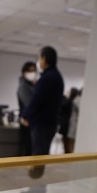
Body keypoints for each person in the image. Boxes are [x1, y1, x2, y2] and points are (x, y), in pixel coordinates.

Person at [20, 46, 64, 179]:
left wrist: (25, 115)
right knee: (41, 153)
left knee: (38, 154)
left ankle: (35, 186)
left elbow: (36, 100)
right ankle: (36, 186)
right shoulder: (56, 76)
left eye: (39, 58)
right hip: (49, 122)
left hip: (42, 124)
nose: (39, 61)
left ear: (44, 59)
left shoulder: (48, 78)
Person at [16, 61, 37, 157]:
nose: (33, 73)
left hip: (31, 123)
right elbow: (30, 104)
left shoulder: (31, 86)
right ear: (24, 72)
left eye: (35, 71)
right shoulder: (24, 87)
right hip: (27, 122)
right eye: (31, 71)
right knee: (28, 150)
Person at [64, 88, 81, 153]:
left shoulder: (76, 100)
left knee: (71, 140)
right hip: (72, 123)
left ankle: (69, 154)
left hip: (73, 123)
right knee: (70, 140)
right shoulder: (76, 100)